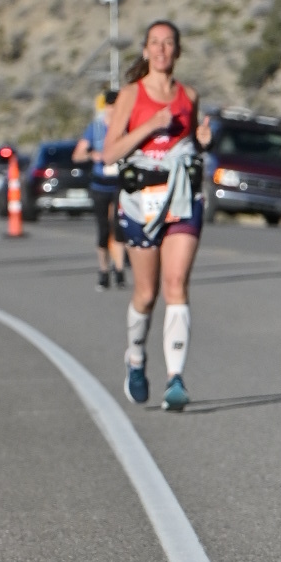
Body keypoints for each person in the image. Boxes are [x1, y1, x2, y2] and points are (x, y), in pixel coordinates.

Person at [104, 21, 211, 408]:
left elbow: (190, 145)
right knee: (146, 293)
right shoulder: (131, 95)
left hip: (181, 199)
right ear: (146, 50)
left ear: (177, 51)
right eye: (155, 43)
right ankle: (135, 357)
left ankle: (175, 380)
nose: (162, 50)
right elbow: (110, 153)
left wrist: (201, 142)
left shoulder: (188, 96)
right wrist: (149, 126)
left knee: (176, 283)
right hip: (141, 201)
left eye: (169, 43)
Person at [74, 91, 126, 289]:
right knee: (103, 229)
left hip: (119, 183)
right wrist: (92, 154)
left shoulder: (125, 127)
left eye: (117, 105)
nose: (113, 110)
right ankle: (103, 270)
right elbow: (77, 155)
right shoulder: (95, 128)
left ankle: (119, 270)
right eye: (111, 105)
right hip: (100, 184)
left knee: (118, 226)